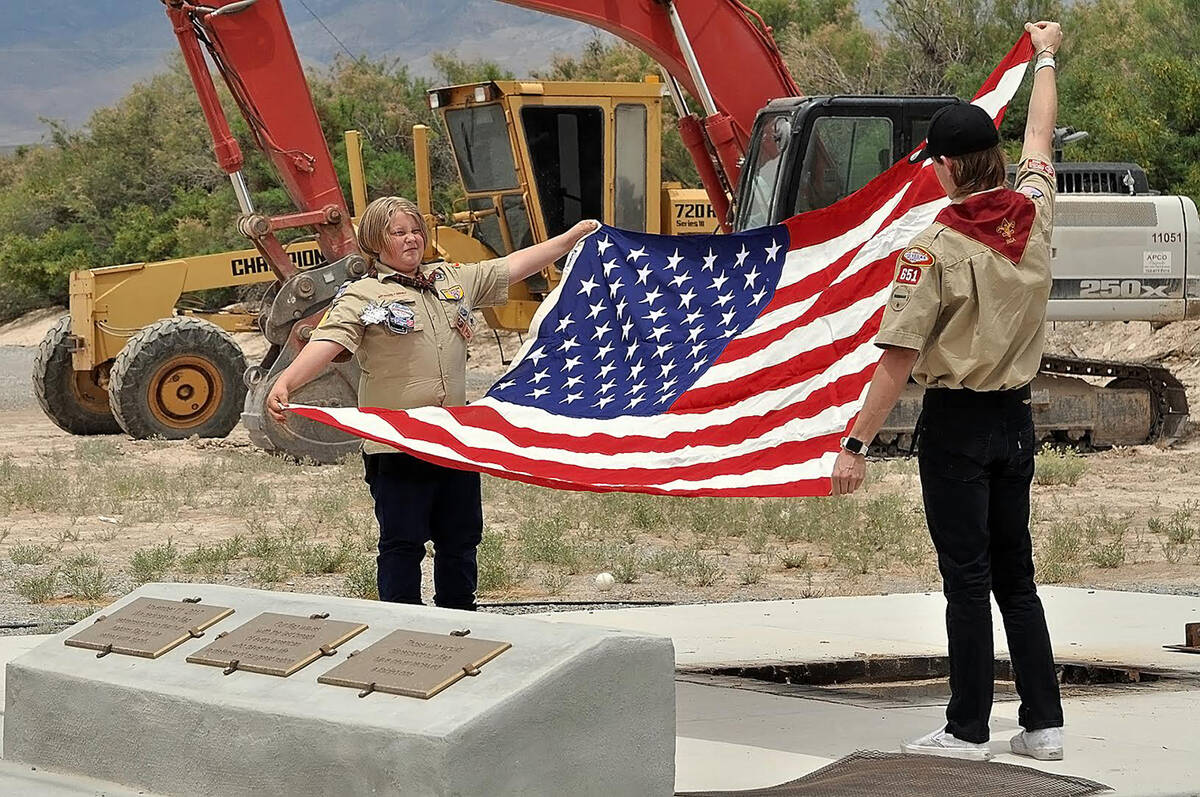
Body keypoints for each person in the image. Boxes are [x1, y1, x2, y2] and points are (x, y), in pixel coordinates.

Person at [830, 22, 1065, 761]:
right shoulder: (1033, 212)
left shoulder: (933, 248)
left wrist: (854, 443)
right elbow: (1041, 141)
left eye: (934, 162)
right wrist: (1046, 55)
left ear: (948, 166)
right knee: (1016, 577)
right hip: (1017, 420)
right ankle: (1044, 725)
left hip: (957, 427)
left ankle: (967, 728)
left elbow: (897, 360)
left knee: (966, 580)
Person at [267, 195, 597, 610]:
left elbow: (512, 266)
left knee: (460, 538)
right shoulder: (362, 295)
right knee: (402, 542)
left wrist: (569, 239)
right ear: (375, 240)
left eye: (416, 230)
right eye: (399, 232)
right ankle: (402, 627)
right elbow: (328, 342)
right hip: (397, 443)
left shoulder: (450, 280)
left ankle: (461, 620)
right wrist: (287, 382)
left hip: (452, 440)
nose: (412, 240)